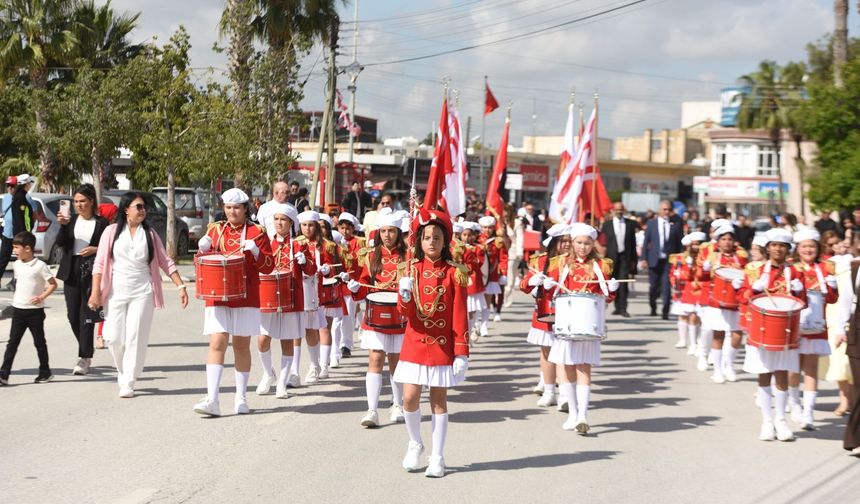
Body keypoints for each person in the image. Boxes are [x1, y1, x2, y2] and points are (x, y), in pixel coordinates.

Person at [88, 192, 188, 398]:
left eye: (144, 207)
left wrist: (180, 286)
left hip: (143, 291)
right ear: (126, 210)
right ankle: (123, 370)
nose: (143, 211)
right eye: (139, 207)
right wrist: (96, 292)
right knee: (113, 337)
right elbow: (99, 264)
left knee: (135, 336)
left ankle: (129, 380)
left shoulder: (149, 233)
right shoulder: (111, 232)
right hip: (116, 291)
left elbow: (164, 261)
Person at [393, 208, 469, 478]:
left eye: (437, 237)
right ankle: (415, 443)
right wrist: (403, 292)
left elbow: (460, 316)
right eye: (427, 237)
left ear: (445, 241)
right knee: (409, 397)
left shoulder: (454, 273)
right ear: (419, 241)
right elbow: (405, 313)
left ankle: (438, 456)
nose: (432, 242)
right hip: (415, 342)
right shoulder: (410, 270)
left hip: (441, 345)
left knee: (438, 400)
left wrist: (462, 352)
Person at [194, 188, 274, 417]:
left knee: (240, 344)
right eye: (228, 207)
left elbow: (268, 267)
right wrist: (202, 249)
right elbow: (204, 265)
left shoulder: (257, 232)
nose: (232, 212)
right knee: (217, 342)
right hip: (217, 295)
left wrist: (257, 252)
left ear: (245, 209)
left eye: (236, 208)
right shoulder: (215, 230)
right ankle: (212, 398)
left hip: (246, 296)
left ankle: (241, 397)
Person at [545, 223, 619, 433]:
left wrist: (612, 290)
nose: (583, 247)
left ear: (592, 244)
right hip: (566, 324)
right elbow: (552, 295)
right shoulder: (559, 264)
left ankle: (583, 416)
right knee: (567, 369)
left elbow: (606, 297)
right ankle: (573, 413)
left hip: (588, 326)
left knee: (584, 369)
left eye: (587, 243)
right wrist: (547, 287)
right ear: (572, 243)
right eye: (579, 243)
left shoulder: (601, 265)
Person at [738, 228, 807, 441]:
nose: (778, 249)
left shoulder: (795, 272)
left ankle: (781, 420)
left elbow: (804, 302)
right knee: (764, 373)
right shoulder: (755, 270)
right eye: (774, 245)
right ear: (768, 248)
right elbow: (742, 297)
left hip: (786, 331)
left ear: (788, 249)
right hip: (761, 328)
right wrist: (754, 289)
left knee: (782, 374)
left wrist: (799, 290)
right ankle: (767, 421)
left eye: (783, 246)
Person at [348, 211, 408, 427]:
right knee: (375, 359)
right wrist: (356, 287)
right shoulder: (371, 256)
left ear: (398, 233)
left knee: (396, 361)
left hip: (399, 314)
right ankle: (372, 409)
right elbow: (364, 282)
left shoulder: (408, 256)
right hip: (375, 314)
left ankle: (397, 405)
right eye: (383, 231)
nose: (387, 235)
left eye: (391, 231)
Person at [255, 203, 314, 398]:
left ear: (291, 223)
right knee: (263, 339)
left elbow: (311, 271)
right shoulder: (266, 243)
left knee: (287, 341)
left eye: (283, 220)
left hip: (291, 297)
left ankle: (282, 383)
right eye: (276, 219)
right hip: (268, 297)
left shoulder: (299, 245)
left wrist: (305, 261)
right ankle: (267, 373)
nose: (279, 223)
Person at [785, 229, 838, 430]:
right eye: (804, 246)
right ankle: (794, 402)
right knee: (793, 368)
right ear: (798, 249)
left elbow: (832, 299)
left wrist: (833, 288)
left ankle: (808, 412)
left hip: (816, 325)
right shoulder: (791, 269)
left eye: (812, 246)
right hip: (794, 325)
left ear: (818, 248)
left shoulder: (825, 268)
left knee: (811, 369)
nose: (808, 250)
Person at [56, 184, 110, 376]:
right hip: (71, 270)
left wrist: (96, 249)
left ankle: (84, 358)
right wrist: (62, 226)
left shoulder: (103, 223)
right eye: (76, 201)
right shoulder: (70, 222)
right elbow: (61, 244)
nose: (78, 205)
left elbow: (110, 247)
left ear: (91, 201)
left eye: (82, 201)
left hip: (92, 271)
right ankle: (87, 348)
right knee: (72, 316)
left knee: (86, 316)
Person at [521, 223, 570, 409]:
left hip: (568, 314)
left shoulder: (574, 262)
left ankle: (565, 394)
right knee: (547, 353)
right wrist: (534, 282)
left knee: (565, 354)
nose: (567, 244)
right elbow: (524, 286)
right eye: (563, 241)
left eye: (569, 241)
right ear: (555, 242)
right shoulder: (540, 261)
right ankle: (549, 392)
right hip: (546, 312)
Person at [0, 232, 57, 385]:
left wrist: (41, 297)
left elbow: (53, 284)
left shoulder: (40, 266)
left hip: (35, 312)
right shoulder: (17, 265)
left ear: (28, 248)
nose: (14, 251)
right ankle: (3, 375)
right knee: (12, 343)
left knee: (39, 343)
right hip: (18, 310)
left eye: (16, 248)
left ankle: (45, 372)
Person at [698, 225, 748, 383]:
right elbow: (701, 278)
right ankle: (718, 370)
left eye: (729, 239)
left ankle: (729, 365)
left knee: (737, 335)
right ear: (718, 242)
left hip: (735, 302)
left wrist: (742, 283)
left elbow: (748, 277)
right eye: (723, 239)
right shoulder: (712, 257)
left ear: (734, 242)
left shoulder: (741, 258)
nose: (727, 242)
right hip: (717, 302)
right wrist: (705, 270)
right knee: (718, 336)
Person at [824, 237, 854, 416]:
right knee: (839, 359)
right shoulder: (830, 264)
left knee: (853, 361)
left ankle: (853, 399)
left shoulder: (853, 262)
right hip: (836, 312)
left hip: (854, 311)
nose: (842, 245)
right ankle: (844, 400)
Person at [640, 199, 683, 319]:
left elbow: (680, 243)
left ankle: (665, 312)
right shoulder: (651, 223)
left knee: (666, 286)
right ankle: (653, 307)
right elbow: (646, 241)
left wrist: (681, 258)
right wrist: (643, 258)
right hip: (654, 259)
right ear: (659, 210)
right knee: (653, 286)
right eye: (664, 209)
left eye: (669, 210)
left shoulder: (676, 223)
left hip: (669, 261)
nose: (667, 212)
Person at [669, 232, 707, 354]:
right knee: (687, 315)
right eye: (693, 244)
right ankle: (689, 342)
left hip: (702, 289)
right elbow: (674, 273)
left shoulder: (706, 258)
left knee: (700, 318)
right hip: (687, 289)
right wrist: (676, 283)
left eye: (698, 244)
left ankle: (700, 342)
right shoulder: (681, 258)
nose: (695, 247)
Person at [600, 202, 638, 317]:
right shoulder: (607, 225)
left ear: (624, 210)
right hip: (611, 259)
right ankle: (616, 306)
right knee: (612, 283)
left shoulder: (630, 224)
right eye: (617, 209)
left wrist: (633, 261)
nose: (619, 211)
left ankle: (623, 308)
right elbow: (603, 242)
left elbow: (633, 243)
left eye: (621, 209)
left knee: (623, 283)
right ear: (613, 210)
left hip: (625, 258)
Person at [0, 175, 35, 288]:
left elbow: (32, 214)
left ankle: (15, 282)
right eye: (8, 186)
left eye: (12, 186)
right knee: (3, 258)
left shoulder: (25, 197)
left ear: (17, 186)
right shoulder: (6, 198)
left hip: (19, 234)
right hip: (7, 233)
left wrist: (27, 230)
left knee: (21, 259)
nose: (9, 188)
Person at [478, 215, 508, 323]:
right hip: (478, 274)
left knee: (488, 299)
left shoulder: (498, 241)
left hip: (492, 274)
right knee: (477, 300)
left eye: (490, 227)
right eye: (485, 227)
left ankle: (485, 323)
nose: (487, 230)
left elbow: (503, 258)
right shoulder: (476, 239)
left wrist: (504, 273)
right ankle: (476, 321)